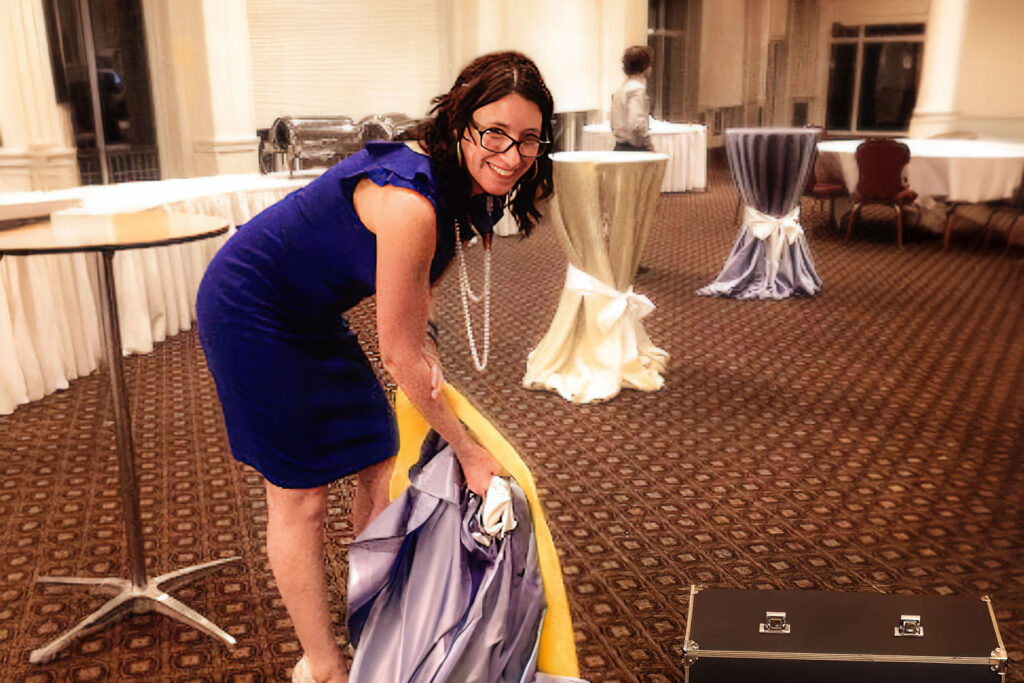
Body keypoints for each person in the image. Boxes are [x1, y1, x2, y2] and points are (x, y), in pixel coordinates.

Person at [196, 52, 554, 683]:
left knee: (377, 457)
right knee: (300, 496)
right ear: (463, 123)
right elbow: (399, 354)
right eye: (495, 132)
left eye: (528, 139)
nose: (511, 153)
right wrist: (467, 450)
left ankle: (378, 623)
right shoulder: (412, 203)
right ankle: (325, 667)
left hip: (313, 311)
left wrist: (434, 381)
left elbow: (417, 316)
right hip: (250, 307)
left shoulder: (460, 184)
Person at [611, 45, 654, 152]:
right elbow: (636, 124)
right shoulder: (637, 90)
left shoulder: (621, 90)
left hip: (620, 146)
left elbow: (612, 122)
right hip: (634, 149)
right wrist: (648, 144)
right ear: (645, 67)